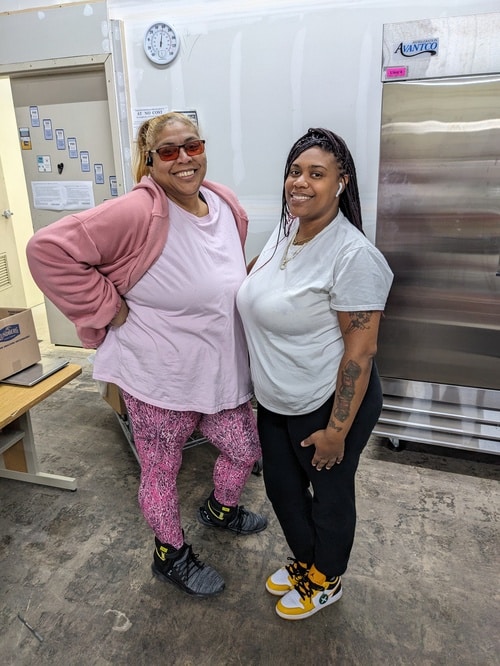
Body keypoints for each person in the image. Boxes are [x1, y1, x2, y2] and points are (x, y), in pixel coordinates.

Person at [26, 111, 267, 599]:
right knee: (162, 471)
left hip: (219, 372)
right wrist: (104, 306)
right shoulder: (138, 211)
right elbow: (46, 250)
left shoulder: (224, 202)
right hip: (158, 376)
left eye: (192, 146)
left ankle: (220, 509)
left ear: (203, 149)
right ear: (150, 160)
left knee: (245, 448)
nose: (184, 159)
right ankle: (170, 555)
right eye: (169, 151)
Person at [236, 127, 393, 620]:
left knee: (328, 493)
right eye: (295, 171)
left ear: (341, 182)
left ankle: (327, 578)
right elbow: (256, 282)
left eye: (316, 174)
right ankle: (306, 559)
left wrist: (337, 432)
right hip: (277, 396)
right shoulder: (288, 230)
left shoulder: (354, 257)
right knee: (282, 489)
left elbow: (360, 355)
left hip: (329, 403)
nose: (300, 183)